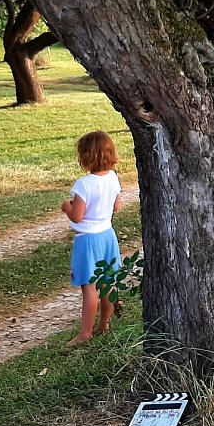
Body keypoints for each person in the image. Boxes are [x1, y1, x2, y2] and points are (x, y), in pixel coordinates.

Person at [61, 130, 123, 348]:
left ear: (86, 157)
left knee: (89, 287)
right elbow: (117, 206)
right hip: (107, 235)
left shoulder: (84, 184)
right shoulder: (113, 177)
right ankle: (104, 324)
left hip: (87, 241)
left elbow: (77, 216)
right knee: (107, 282)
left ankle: (85, 333)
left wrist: (67, 206)